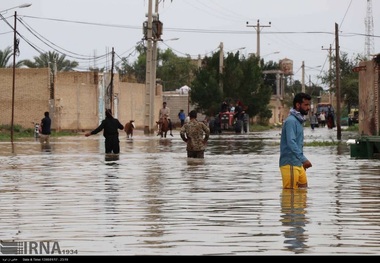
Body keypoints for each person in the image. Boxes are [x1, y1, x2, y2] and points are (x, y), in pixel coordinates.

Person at [279, 93, 312, 189]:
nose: (308, 108)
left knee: (303, 193)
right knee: (290, 197)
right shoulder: (291, 121)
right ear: (298, 105)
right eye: (306, 105)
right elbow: (291, 142)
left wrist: (301, 162)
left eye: (309, 105)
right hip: (290, 164)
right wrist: (304, 160)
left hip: (298, 164)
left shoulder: (298, 121)